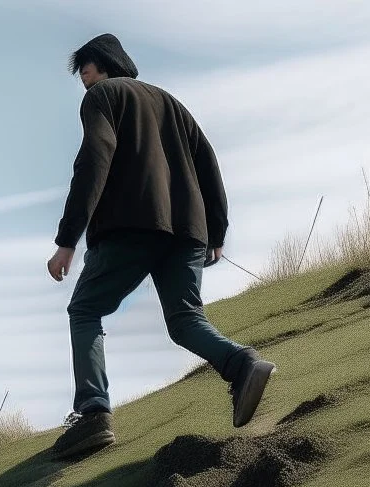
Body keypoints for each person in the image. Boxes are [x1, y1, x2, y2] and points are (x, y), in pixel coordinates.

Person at [47, 32, 276, 461]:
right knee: (185, 320)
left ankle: (93, 413)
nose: (83, 77)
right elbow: (208, 164)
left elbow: (95, 157)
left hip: (129, 227)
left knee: (84, 309)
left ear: (107, 63)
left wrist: (66, 240)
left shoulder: (103, 97)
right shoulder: (172, 103)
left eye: (86, 67)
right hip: (187, 231)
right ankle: (243, 365)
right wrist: (217, 231)